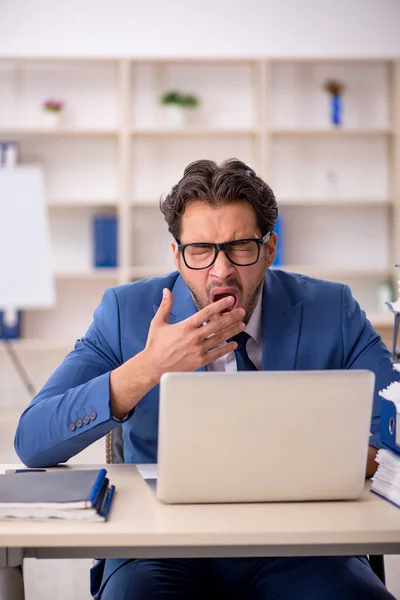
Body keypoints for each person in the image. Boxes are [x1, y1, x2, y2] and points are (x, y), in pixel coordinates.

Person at [15, 159, 397, 600]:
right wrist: (149, 366)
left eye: (240, 247)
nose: (221, 271)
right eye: (200, 249)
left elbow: (396, 424)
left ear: (270, 249)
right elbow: (33, 439)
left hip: (302, 546)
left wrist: (333, 462)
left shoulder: (332, 310)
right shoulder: (125, 312)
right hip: (158, 550)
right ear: (177, 255)